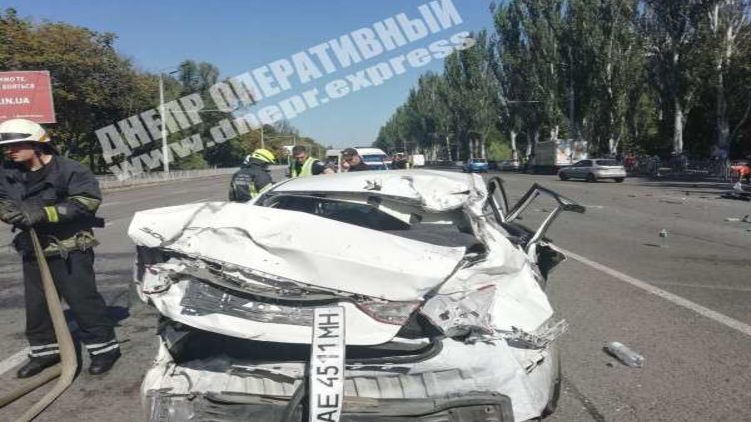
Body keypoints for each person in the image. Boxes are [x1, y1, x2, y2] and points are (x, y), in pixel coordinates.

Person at [0, 119, 119, 378]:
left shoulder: (70, 170)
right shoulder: (7, 172)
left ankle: (104, 349)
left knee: (83, 301)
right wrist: (7, 212)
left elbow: (86, 202)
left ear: (37, 144)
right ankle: (45, 352)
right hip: (33, 248)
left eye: (16, 145)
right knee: (37, 305)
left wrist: (44, 213)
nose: (9, 151)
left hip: (69, 248)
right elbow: (2, 198)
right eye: (6, 147)